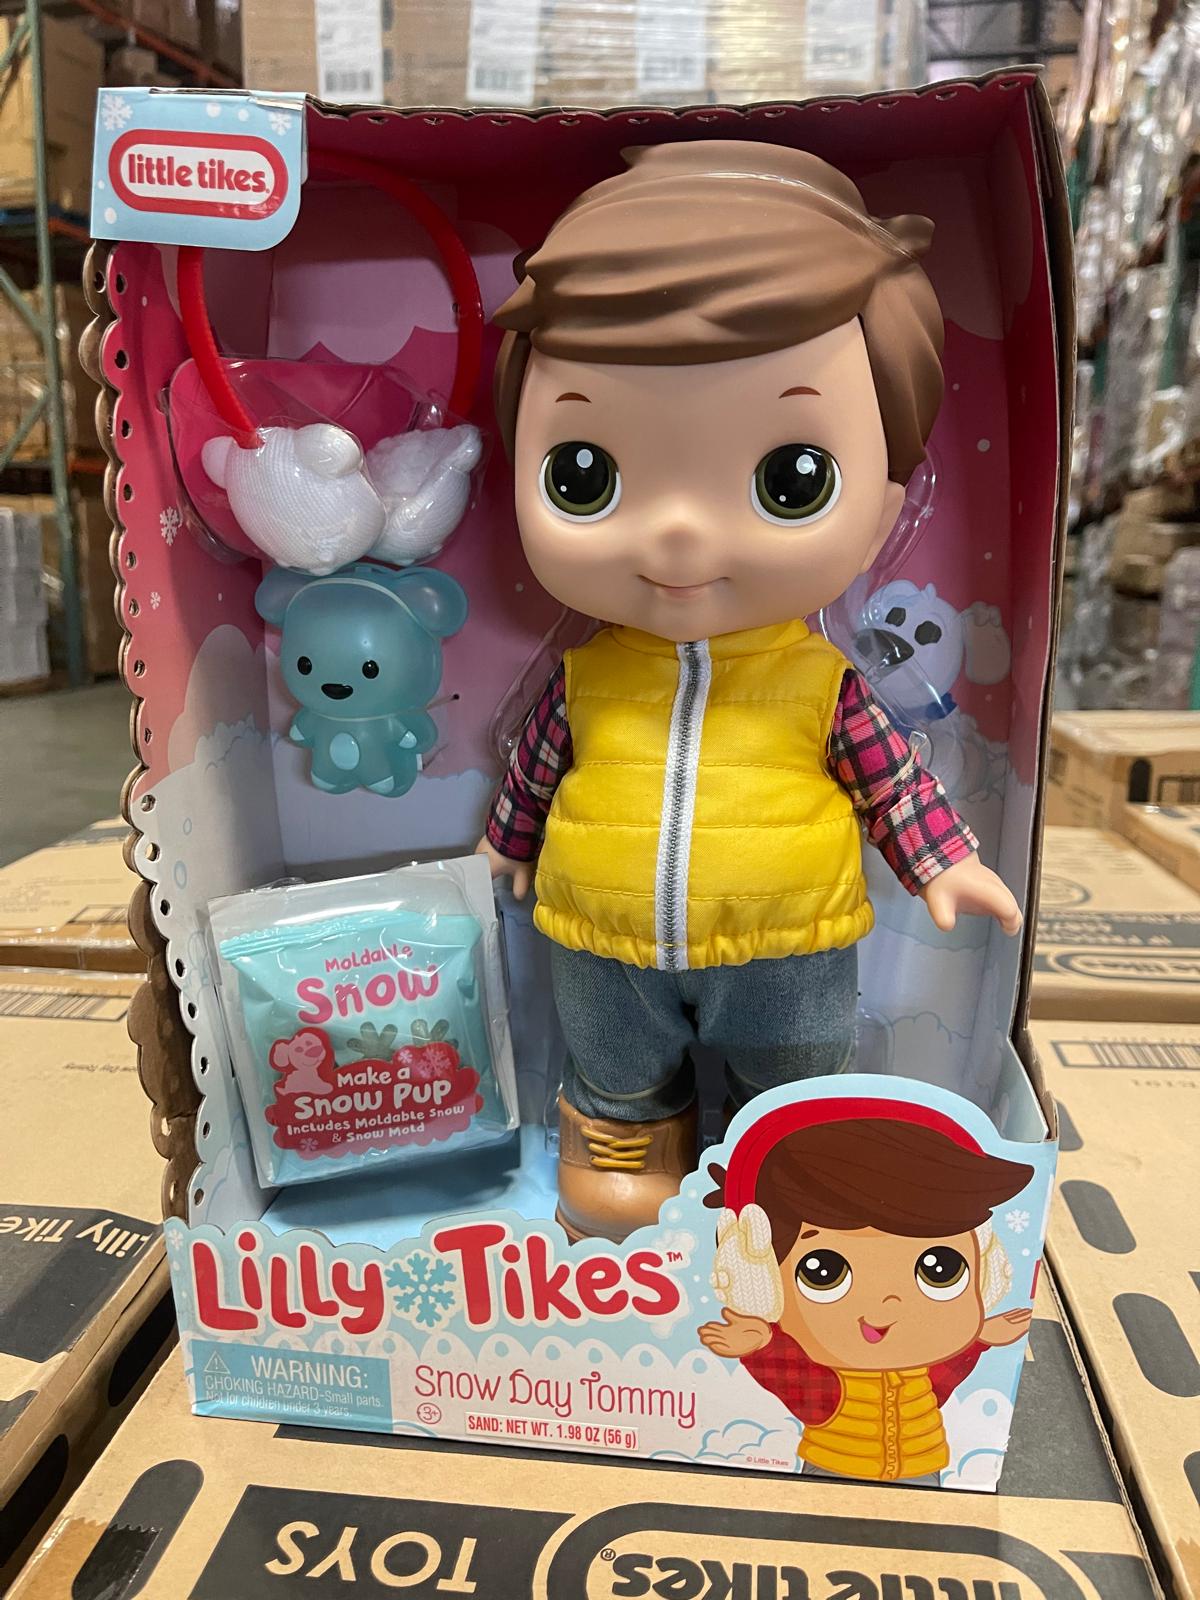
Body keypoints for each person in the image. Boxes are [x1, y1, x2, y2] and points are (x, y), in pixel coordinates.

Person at [477, 141, 1021, 1243]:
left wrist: (943, 861)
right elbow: (536, 770)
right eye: (584, 474)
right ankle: (625, 1142)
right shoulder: (583, 677)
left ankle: (786, 1153)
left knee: (792, 1066)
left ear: (884, 506)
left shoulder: (823, 685)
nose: (679, 531)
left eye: (791, 479)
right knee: (614, 1064)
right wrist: (507, 843)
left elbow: (892, 782)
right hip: (602, 934)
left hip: (789, 937)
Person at [698, 1102, 1034, 1482]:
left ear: (983, 1270)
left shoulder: (916, 1370)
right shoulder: (829, 1386)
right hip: (833, 1470)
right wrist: (763, 1347)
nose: (888, 1304)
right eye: (824, 1272)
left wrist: (980, 1339)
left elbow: (941, 1381)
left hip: (925, 1469)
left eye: (940, 1268)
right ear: (763, 1282)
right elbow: (801, 1386)